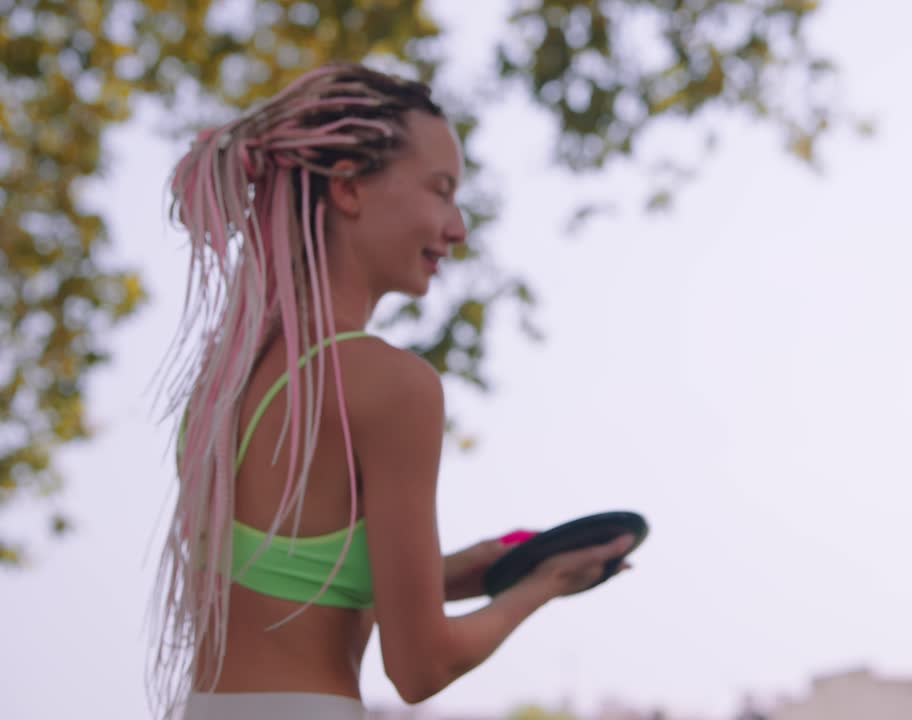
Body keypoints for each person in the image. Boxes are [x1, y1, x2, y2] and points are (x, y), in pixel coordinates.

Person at [149, 63, 635, 720]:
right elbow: (421, 666)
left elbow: (295, 585)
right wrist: (544, 584)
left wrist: (467, 569)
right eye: (441, 191)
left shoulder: (224, 384)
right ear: (349, 186)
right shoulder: (393, 385)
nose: (458, 228)